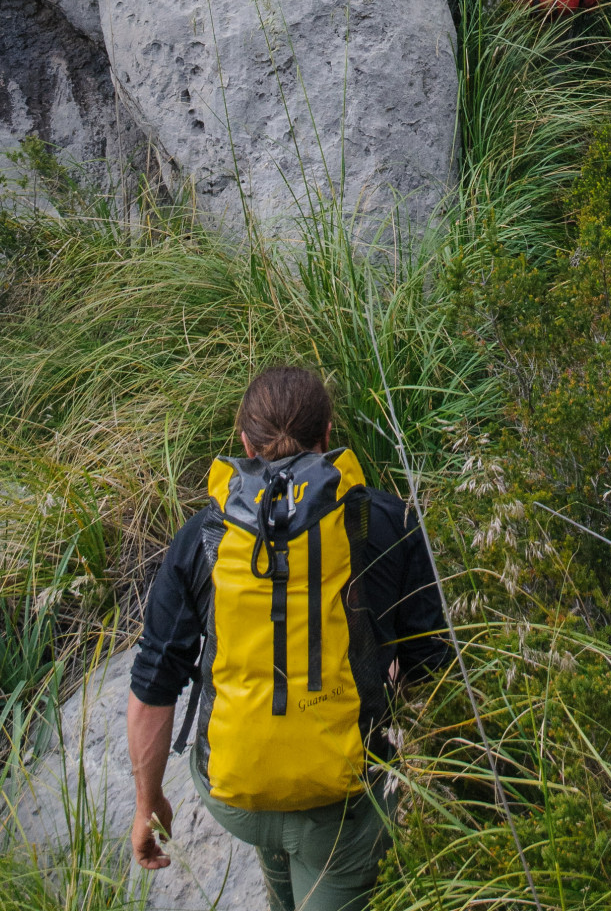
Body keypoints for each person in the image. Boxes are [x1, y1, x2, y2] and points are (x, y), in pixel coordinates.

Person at [127, 364, 448, 911]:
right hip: (343, 799)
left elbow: (153, 684)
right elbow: (430, 663)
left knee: (275, 839)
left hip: (235, 794)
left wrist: (146, 803)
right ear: (328, 435)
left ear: (245, 443)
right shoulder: (384, 520)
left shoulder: (205, 535)